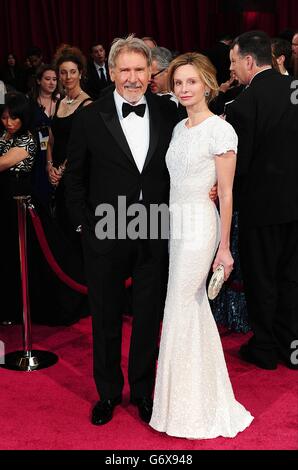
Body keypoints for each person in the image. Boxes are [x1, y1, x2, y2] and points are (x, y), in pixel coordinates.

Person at [64, 35, 218, 426]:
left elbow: (198, 146)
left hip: (154, 230)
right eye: (125, 70)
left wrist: (211, 183)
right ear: (112, 72)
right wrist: (84, 225)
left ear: (151, 72)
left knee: (149, 316)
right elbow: (75, 178)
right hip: (104, 230)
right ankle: (109, 393)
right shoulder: (89, 115)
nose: (132, 78)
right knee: (105, 316)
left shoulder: (169, 112)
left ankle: (145, 392)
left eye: (140, 69)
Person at [149, 52, 253, 439]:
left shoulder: (220, 131)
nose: (184, 89)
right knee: (189, 307)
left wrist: (224, 249)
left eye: (191, 81)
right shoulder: (179, 130)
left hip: (201, 229)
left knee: (179, 303)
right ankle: (189, 400)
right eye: (178, 83)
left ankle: (189, 408)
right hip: (176, 226)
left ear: (207, 84)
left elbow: (226, 194)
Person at [226, 30, 298, 370]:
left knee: (262, 279)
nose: (232, 69)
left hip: (261, 208)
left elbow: (240, 163)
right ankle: (290, 347)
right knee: (292, 277)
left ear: (250, 61)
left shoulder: (244, 103)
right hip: (295, 207)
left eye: (234, 62)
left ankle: (266, 348)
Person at [0, 92, 37, 324]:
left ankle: (14, 309)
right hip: (2, 200)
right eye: (5, 118)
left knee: (14, 256)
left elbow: (2, 163)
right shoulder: (4, 135)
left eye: (14, 118)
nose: (9, 123)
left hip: (17, 201)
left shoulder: (28, 139)